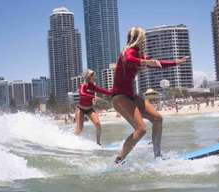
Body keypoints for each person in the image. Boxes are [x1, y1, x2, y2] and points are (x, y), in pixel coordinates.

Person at [111, 27, 187, 164]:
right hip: (120, 97)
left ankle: (158, 156)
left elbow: (157, 63)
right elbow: (129, 59)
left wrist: (176, 62)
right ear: (139, 38)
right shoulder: (127, 52)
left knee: (158, 119)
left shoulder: (139, 54)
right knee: (141, 129)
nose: (145, 40)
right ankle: (119, 160)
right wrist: (145, 62)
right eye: (143, 37)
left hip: (132, 96)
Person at [74, 69, 112, 145]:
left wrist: (112, 92)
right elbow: (82, 94)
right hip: (80, 109)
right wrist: (93, 97)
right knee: (80, 129)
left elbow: (102, 90)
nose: (95, 77)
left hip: (90, 109)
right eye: (93, 76)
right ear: (89, 77)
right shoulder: (83, 85)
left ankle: (98, 143)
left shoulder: (93, 86)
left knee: (98, 124)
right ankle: (72, 140)